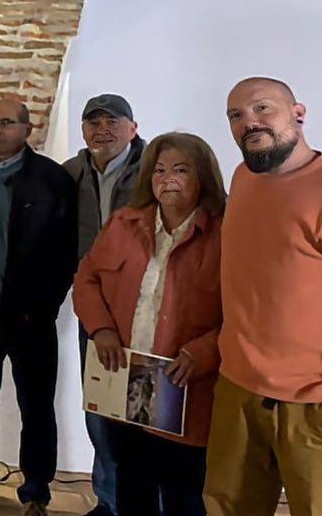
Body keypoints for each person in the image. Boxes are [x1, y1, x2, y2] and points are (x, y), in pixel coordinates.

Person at [73, 132, 226, 516]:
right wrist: (102, 329)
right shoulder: (124, 223)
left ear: (202, 177)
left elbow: (248, 312)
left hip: (185, 385)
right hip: (127, 378)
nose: (167, 178)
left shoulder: (228, 232)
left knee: (183, 494)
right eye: (158, 170)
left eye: (180, 170)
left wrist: (205, 351)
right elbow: (86, 279)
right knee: (131, 486)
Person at [204, 77, 322, 516]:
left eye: (262, 109)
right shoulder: (242, 178)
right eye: (236, 115)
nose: (249, 122)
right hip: (237, 389)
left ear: (298, 112)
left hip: (311, 402)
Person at [0, 97, 77, 516]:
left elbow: (67, 253)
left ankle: (36, 492)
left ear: (28, 130)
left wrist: (44, 306)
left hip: (31, 314)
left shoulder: (52, 180)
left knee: (36, 403)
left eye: (6, 123)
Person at [63, 93, 143, 516]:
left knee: (146, 414)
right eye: (93, 122)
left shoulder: (157, 169)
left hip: (147, 311)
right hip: (93, 310)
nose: (103, 129)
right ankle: (108, 501)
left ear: (133, 128)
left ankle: (146, 501)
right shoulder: (71, 173)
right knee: (100, 408)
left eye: (113, 121)